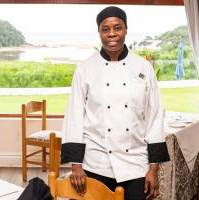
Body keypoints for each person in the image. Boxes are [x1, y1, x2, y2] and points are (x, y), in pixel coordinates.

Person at [61, 6, 170, 200]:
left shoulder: (144, 67)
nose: (112, 34)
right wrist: (76, 166)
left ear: (126, 30)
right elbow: (74, 117)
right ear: (99, 33)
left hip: (136, 163)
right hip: (95, 162)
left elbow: (154, 117)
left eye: (117, 28)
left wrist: (153, 169)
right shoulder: (85, 69)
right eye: (106, 29)